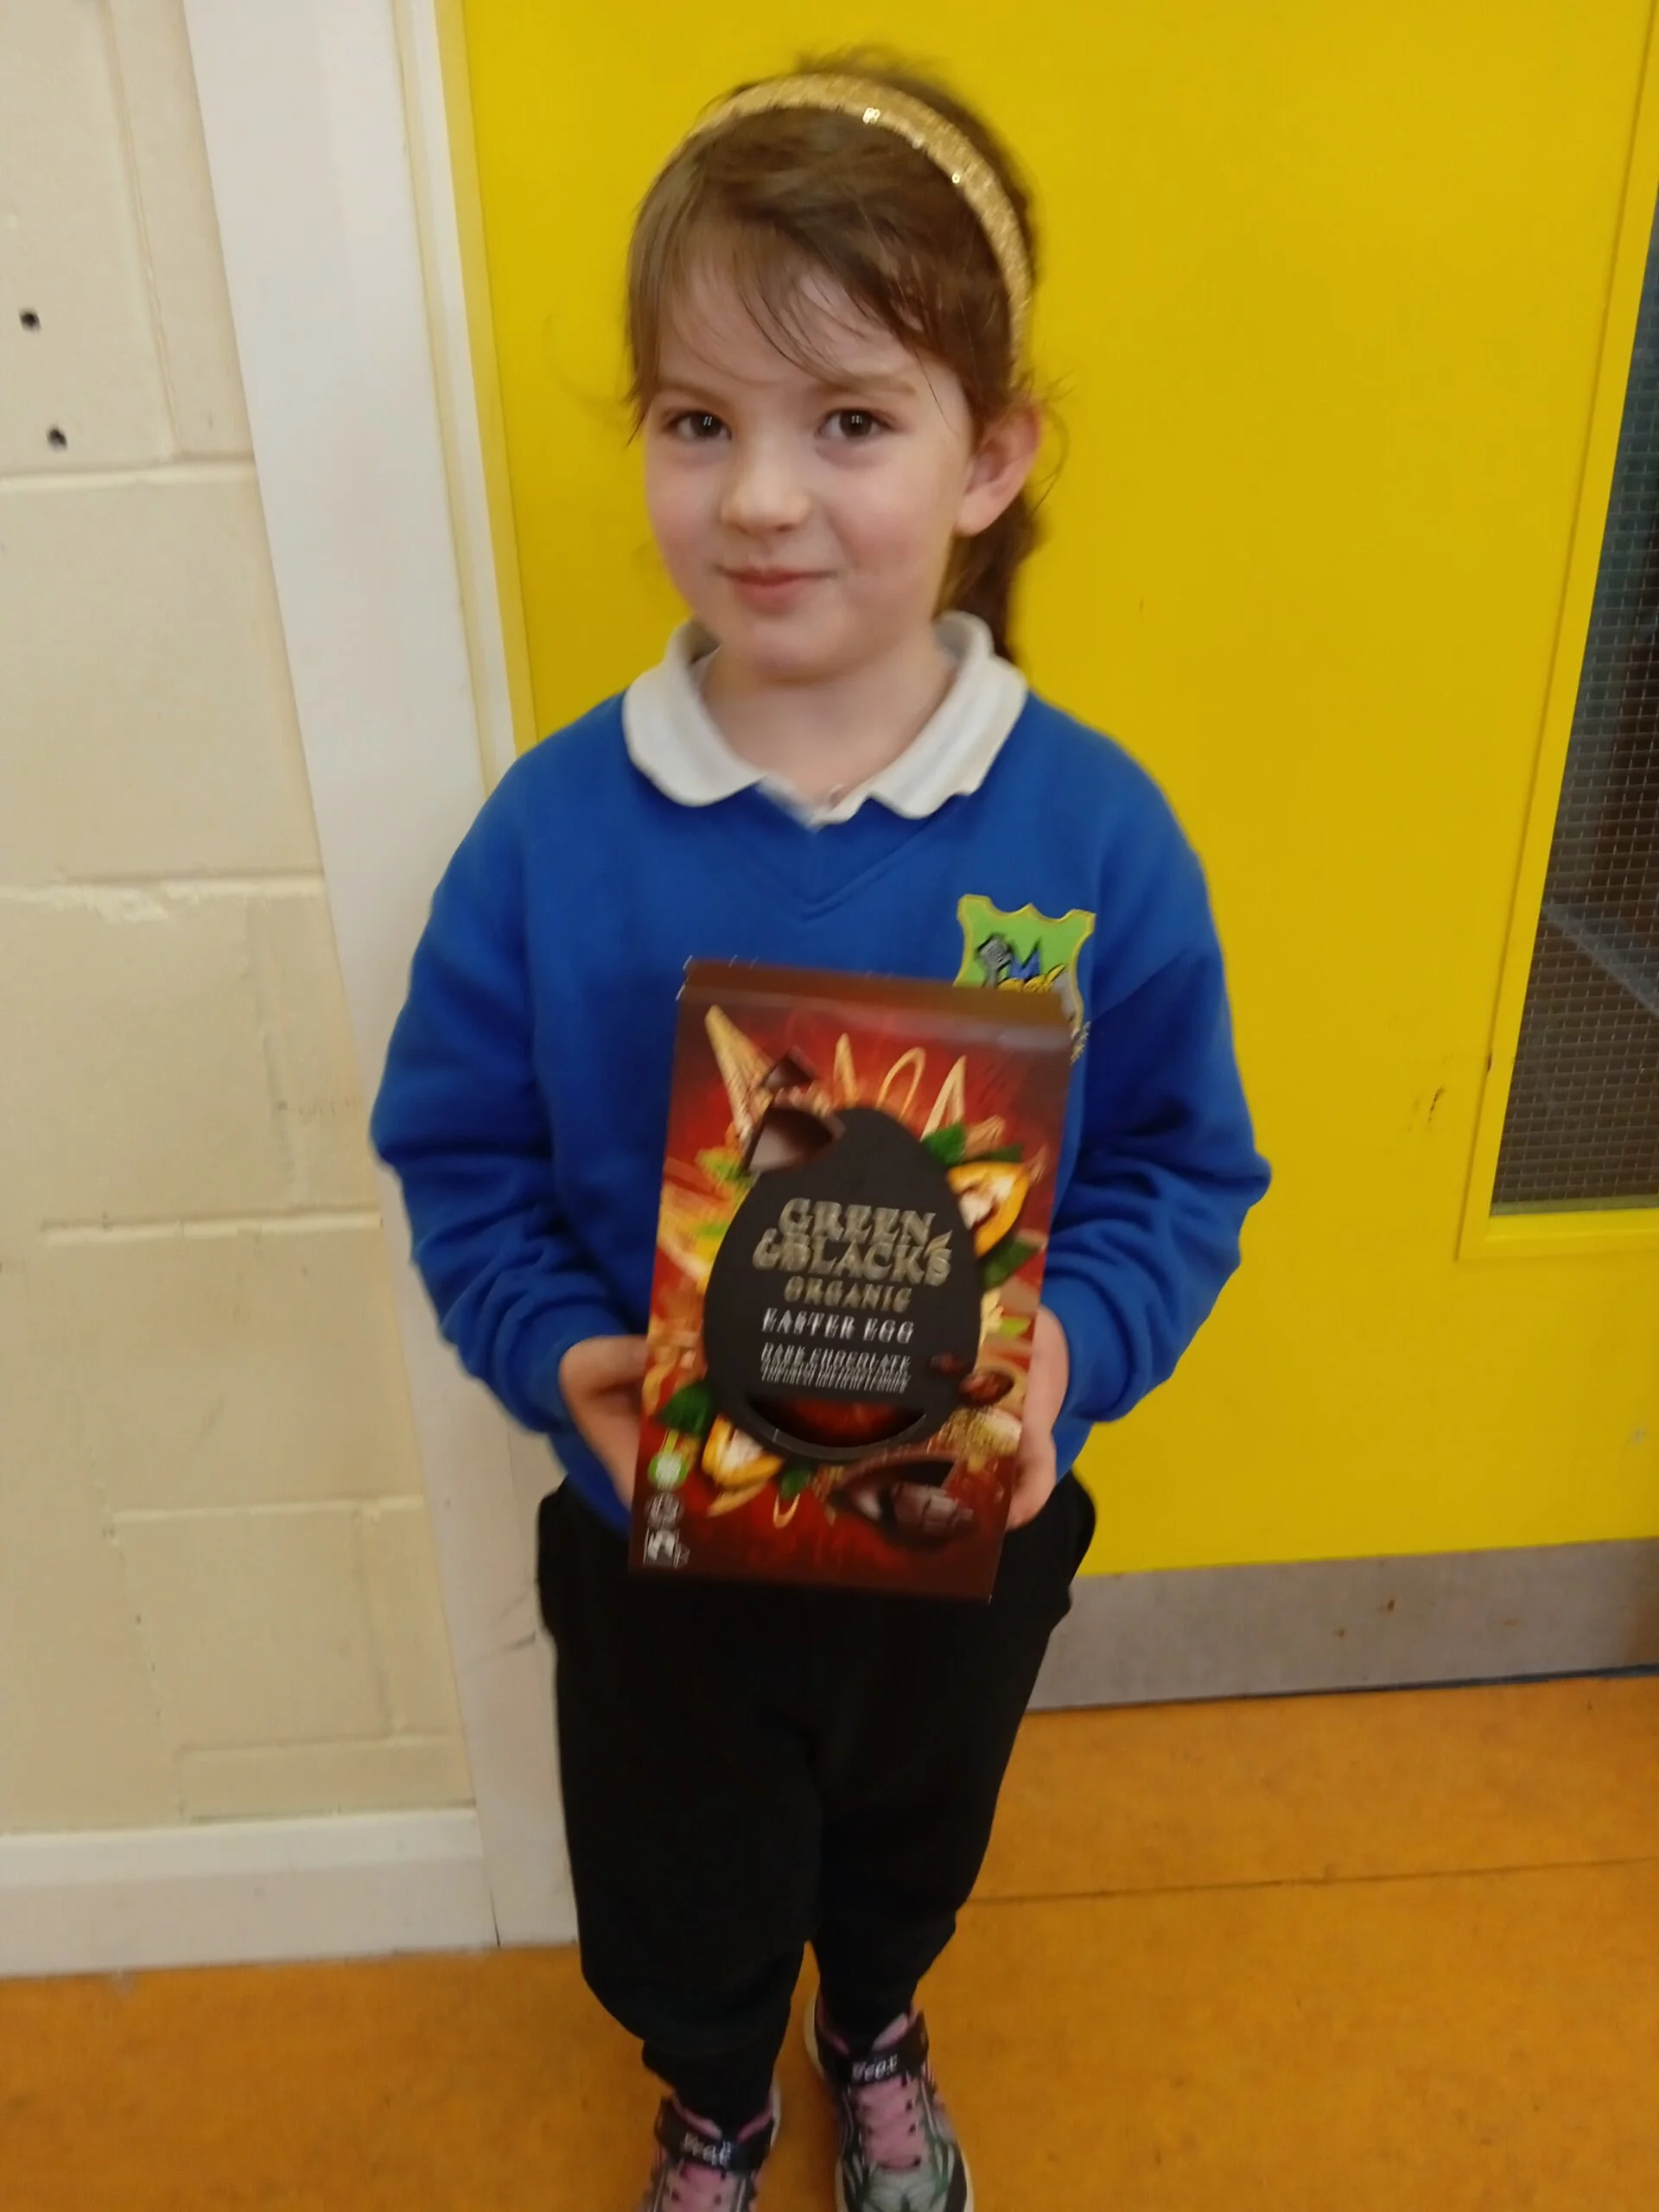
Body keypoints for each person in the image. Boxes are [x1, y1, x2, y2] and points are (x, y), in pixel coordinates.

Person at [372, 54, 1269, 2212]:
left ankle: (871, 2026)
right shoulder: (551, 836)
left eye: (849, 420)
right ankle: (715, 2087)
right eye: (699, 420)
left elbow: (1180, 1169)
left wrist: (1066, 1357)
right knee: (677, 1882)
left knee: (908, 1843)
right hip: (655, 1539)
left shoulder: (1093, 833)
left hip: (967, 1533)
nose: (761, 495)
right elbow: (463, 1153)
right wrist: (557, 1350)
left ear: (994, 455)